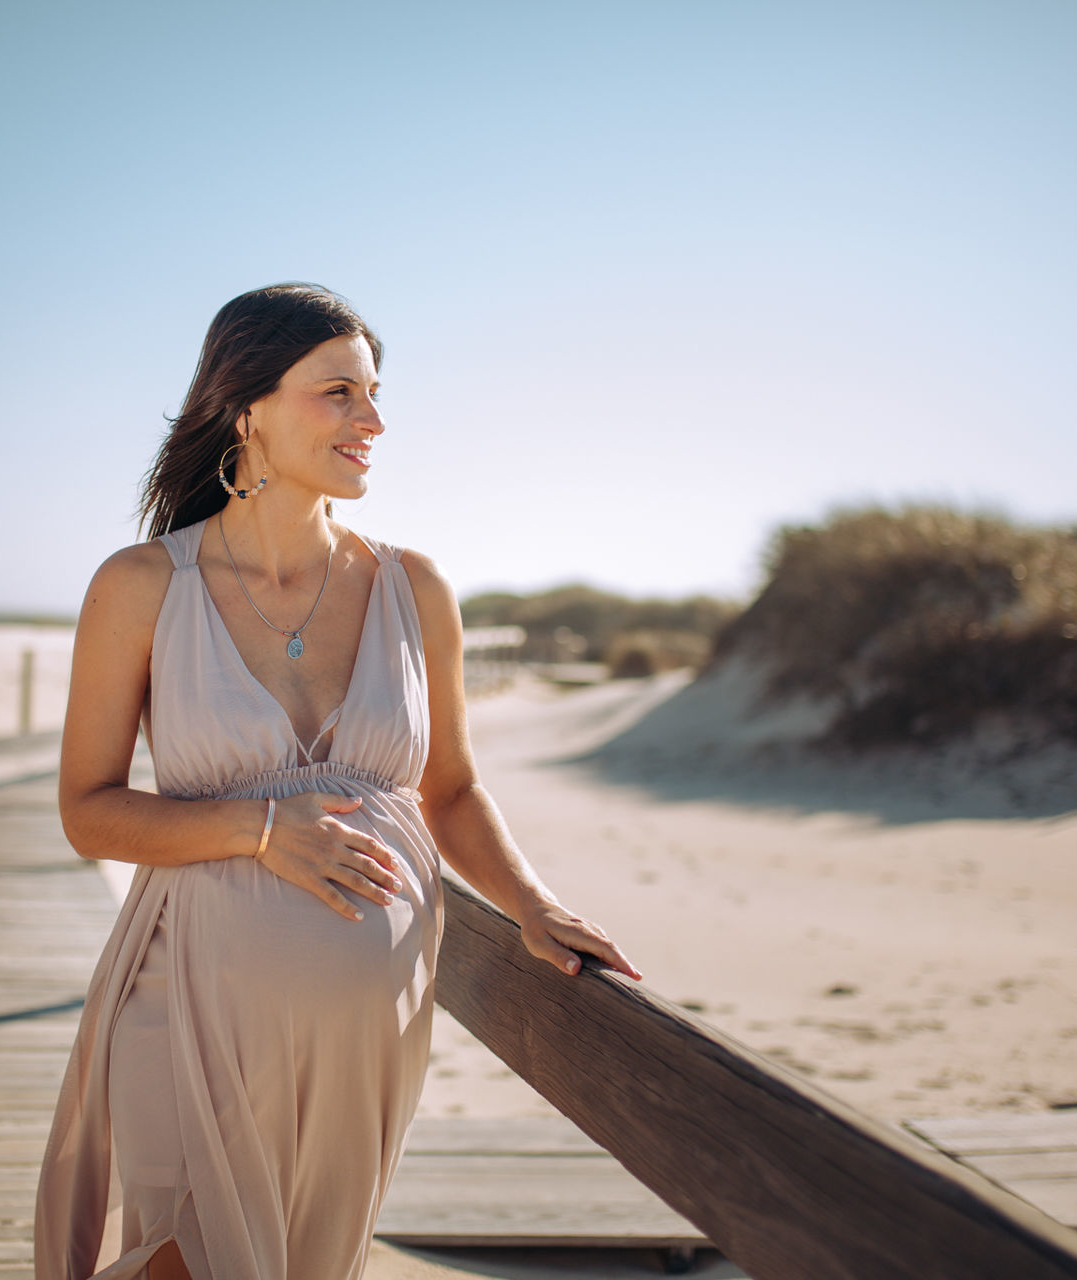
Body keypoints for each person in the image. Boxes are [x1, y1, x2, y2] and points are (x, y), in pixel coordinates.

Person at [33, 283, 641, 1280]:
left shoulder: (417, 586)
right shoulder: (143, 586)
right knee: (175, 1261)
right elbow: (86, 809)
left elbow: (450, 790)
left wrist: (535, 903)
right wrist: (262, 829)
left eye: (374, 393)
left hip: (370, 1032)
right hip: (191, 1004)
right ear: (249, 410)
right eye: (340, 393)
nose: (374, 420)